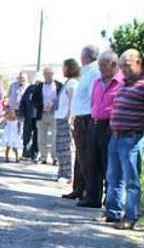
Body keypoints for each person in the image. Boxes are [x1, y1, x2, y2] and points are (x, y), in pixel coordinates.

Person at [99, 49, 144, 230]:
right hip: (116, 136)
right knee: (113, 176)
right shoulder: (124, 84)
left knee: (131, 180)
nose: (123, 69)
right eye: (121, 66)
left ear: (138, 63)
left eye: (127, 66)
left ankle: (130, 216)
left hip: (131, 138)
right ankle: (112, 212)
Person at [81, 51, 122, 209]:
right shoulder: (97, 81)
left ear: (113, 65)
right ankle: (92, 197)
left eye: (103, 66)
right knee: (92, 161)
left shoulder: (121, 82)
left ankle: (109, 199)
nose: (100, 69)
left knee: (108, 163)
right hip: (95, 123)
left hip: (110, 125)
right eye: (99, 66)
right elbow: (93, 101)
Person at [63, 45, 100, 200]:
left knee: (86, 156)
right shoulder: (86, 72)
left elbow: (94, 96)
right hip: (80, 117)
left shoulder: (94, 72)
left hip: (87, 117)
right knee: (80, 155)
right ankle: (78, 188)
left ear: (85, 56)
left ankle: (89, 192)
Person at [55, 59, 80, 182]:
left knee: (66, 148)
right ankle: (63, 172)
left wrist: (69, 117)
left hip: (65, 119)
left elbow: (72, 101)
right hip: (60, 117)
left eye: (64, 67)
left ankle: (68, 174)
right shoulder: (68, 82)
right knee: (60, 147)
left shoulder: (72, 83)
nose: (62, 70)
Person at [37, 67, 61, 164]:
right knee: (41, 137)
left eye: (49, 73)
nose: (48, 75)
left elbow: (63, 99)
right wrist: (41, 106)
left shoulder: (59, 85)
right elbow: (34, 100)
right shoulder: (39, 86)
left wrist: (53, 105)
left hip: (54, 114)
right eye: (46, 73)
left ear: (53, 74)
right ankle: (43, 157)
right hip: (42, 114)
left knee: (54, 137)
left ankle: (55, 157)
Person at [20, 75, 42, 161]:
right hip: (29, 116)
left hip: (39, 117)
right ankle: (26, 153)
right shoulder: (30, 89)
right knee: (26, 135)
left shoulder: (43, 89)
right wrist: (22, 113)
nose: (38, 83)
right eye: (37, 81)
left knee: (37, 136)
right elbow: (23, 101)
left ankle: (35, 154)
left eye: (39, 82)